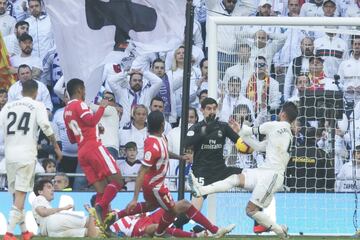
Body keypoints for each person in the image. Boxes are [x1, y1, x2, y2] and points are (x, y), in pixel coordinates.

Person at [189, 101, 299, 239]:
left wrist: (241, 127)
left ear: (282, 114)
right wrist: (242, 131)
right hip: (263, 171)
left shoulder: (274, 125)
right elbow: (258, 147)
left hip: (273, 175)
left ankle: (280, 231)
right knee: (235, 178)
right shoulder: (287, 134)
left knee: (250, 210)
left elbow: (249, 131)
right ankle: (202, 190)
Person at [119, 111, 235, 237]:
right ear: (163, 124)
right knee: (179, 207)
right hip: (155, 186)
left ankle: (115, 216)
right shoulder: (153, 145)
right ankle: (211, 230)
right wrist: (135, 199)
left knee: (152, 206)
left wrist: (179, 157)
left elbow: (164, 152)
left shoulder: (161, 138)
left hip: (156, 184)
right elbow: (142, 171)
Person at [0, 79, 62, 240]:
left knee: (16, 195)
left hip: (10, 155)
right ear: (35, 92)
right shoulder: (37, 105)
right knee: (20, 195)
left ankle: (25, 231)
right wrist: (55, 145)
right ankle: (8, 233)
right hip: (26, 155)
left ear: (21, 91)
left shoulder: (7, 106)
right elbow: (45, 125)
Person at [174, 97, 244, 230]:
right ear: (202, 110)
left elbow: (239, 142)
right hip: (202, 173)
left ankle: (258, 219)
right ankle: (173, 227)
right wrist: (205, 131)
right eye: (208, 109)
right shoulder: (196, 127)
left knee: (248, 177)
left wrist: (239, 133)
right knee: (193, 210)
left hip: (221, 171)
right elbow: (186, 145)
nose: (212, 111)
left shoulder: (223, 127)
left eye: (214, 108)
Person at [63, 78, 124, 228]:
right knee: (118, 181)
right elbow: (90, 121)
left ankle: (101, 228)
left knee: (101, 190)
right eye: (83, 89)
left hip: (82, 152)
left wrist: (96, 129)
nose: (85, 93)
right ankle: (99, 207)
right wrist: (102, 107)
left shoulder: (66, 110)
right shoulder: (80, 104)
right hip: (93, 147)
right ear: (79, 90)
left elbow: (72, 138)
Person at [32, 179, 99, 237]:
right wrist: (63, 208)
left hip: (51, 233)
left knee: (89, 232)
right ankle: (93, 214)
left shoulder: (42, 202)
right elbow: (43, 212)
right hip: (53, 221)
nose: (53, 189)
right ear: (40, 192)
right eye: (49, 187)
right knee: (86, 221)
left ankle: (96, 221)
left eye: (52, 187)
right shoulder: (39, 198)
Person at [108, 208, 207, 238]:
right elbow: (118, 236)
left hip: (146, 219)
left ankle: (210, 228)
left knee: (173, 207)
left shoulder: (116, 211)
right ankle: (194, 235)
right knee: (157, 227)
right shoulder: (107, 225)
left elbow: (139, 213)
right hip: (136, 229)